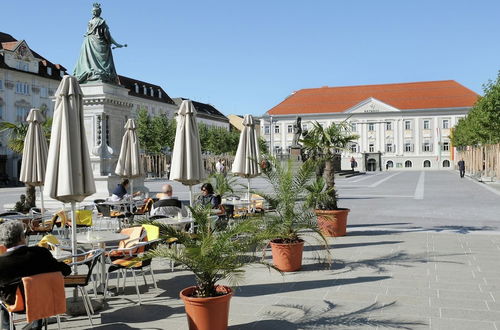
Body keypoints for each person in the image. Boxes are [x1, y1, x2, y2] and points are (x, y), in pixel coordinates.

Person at [0, 221, 71, 330]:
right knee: (37, 288)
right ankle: (36, 326)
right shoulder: (40, 253)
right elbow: (66, 270)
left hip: (15, 304)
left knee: (2, 302)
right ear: (22, 237)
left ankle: (7, 328)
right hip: (40, 302)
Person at [73, 3, 126, 84]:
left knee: (88, 60)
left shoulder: (90, 22)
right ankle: (100, 73)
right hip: (95, 43)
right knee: (102, 59)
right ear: (99, 12)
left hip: (88, 42)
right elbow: (107, 36)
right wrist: (116, 44)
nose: (93, 13)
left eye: (93, 11)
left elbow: (87, 32)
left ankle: (92, 72)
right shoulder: (102, 22)